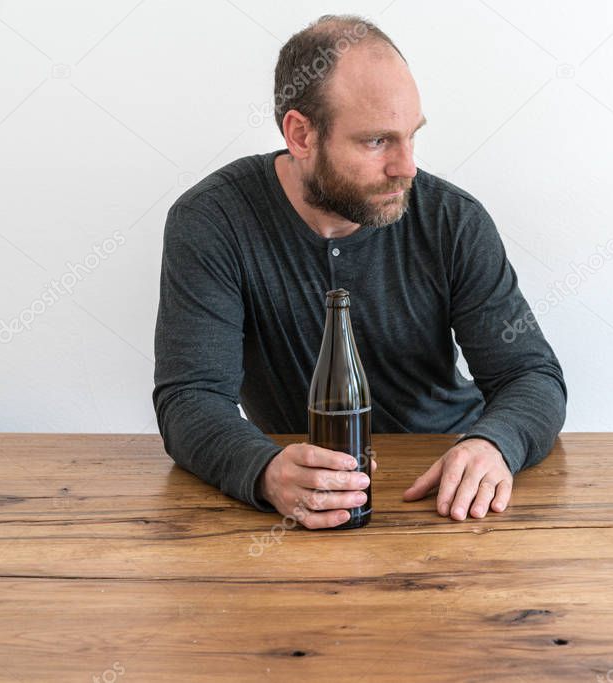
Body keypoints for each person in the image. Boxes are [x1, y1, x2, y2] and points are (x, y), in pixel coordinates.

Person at [152, 15, 566, 529]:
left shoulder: (453, 221)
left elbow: (531, 374)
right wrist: (263, 470)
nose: (406, 167)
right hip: (306, 502)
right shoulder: (213, 221)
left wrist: (493, 443)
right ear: (301, 134)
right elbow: (190, 397)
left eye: (411, 136)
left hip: (449, 497)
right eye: (376, 142)